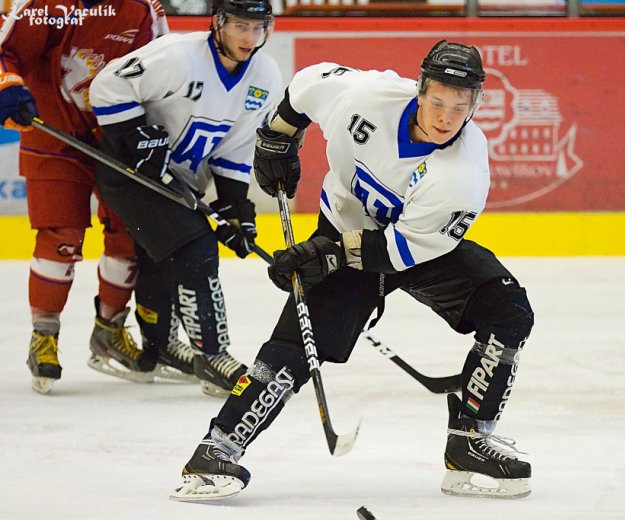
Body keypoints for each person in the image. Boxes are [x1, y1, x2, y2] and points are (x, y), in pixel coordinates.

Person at [173, 40, 535, 500]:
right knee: (294, 347)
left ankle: (469, 442)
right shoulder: (368, 96)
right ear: (420, 91)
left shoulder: (462, 174)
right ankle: (216, 451)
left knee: (507, 311)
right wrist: (279, 133)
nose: (446, 118)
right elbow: (308, 85)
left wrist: (325, 255)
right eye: (438, 103)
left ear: (475, 106)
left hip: (413, 249)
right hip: (343, 225)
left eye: (459, 108)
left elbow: (396, 253)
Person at [89, 0, 283, 397]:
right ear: (218, 23)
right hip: (130, 173)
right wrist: (136, 137)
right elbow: (107, 86)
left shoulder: (265, 75)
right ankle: (212, 356)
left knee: (162, 257)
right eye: (240, 26)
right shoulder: (177, 56)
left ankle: (159, 345)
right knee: (195, 246)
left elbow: (235, 145)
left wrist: (235, 208)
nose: (250, 37)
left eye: (258, 27)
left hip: (179, 180)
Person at [0, 0, 185, 395]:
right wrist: (8, 86)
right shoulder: (44, 5)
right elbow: (5, 51)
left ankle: (109, 329)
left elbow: (164, 73)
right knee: (61, 237)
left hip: (114, 140)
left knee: (128, 235)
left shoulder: (142, 10)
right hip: (51, 134)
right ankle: (44, 335)